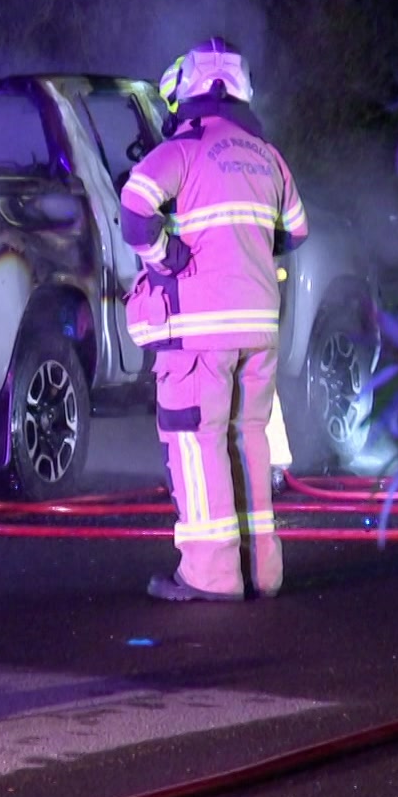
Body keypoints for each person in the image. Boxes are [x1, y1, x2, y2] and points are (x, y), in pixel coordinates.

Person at [122, 38, 307, 600]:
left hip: (200, 333)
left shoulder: (182, 149)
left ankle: (210, 575)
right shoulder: (266, 154)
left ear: (188, 89)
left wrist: (164, 256)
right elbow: (294, 231)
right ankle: (262, 571)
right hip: (260, 330)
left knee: (197, 442)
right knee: (249, 438)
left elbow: (134, 207)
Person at [156, 53, 298, 476]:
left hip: (208, 289)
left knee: (210, 388)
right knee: (251, 375)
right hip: (251, 285)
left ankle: (214, 473)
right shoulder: (251, 149)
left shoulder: (187, 148)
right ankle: (266, 464)